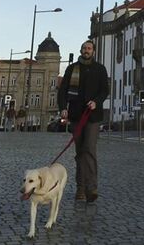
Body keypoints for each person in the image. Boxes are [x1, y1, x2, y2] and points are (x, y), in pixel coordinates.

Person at [57, 39, 108, 203]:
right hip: (76, 116)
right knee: (80, 153)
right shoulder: (72, 69)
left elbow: (105, 90)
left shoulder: (100, 69)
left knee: (89, 150)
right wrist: (63, 107)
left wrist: (96, 102)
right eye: (84, 48)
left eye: (89, 48)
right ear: (81, 50)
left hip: (93, 116)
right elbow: (63, 90)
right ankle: (80, 188)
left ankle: (91, 188)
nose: (87, 50)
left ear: (93, 51)